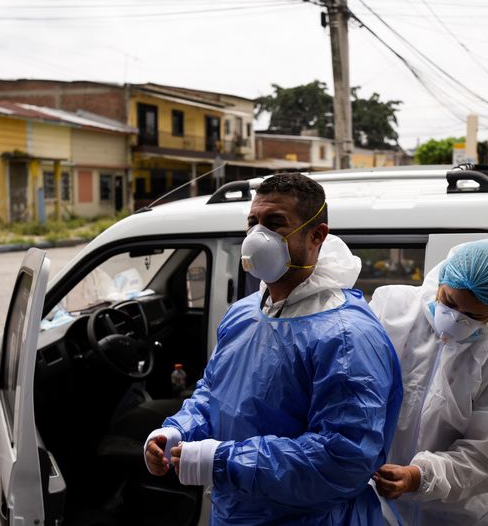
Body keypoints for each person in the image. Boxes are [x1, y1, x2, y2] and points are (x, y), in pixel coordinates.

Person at [144, 173, 403, 525]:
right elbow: (215, 393)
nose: (257, 236)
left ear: (317, 235)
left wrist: (221, 460)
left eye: (274, 223)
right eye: (253, 223)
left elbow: (343, 458)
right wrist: (177, 430)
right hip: (237, 513)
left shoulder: (345, 337)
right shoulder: (245, 313)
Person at [369, 239, 488, 525]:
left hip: (463, 514)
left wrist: (419, 476)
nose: (455, 319)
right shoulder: (392, 312)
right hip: (380, 504)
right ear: (441, 280)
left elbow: (485, 456)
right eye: (449, 302)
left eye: (473, 316)